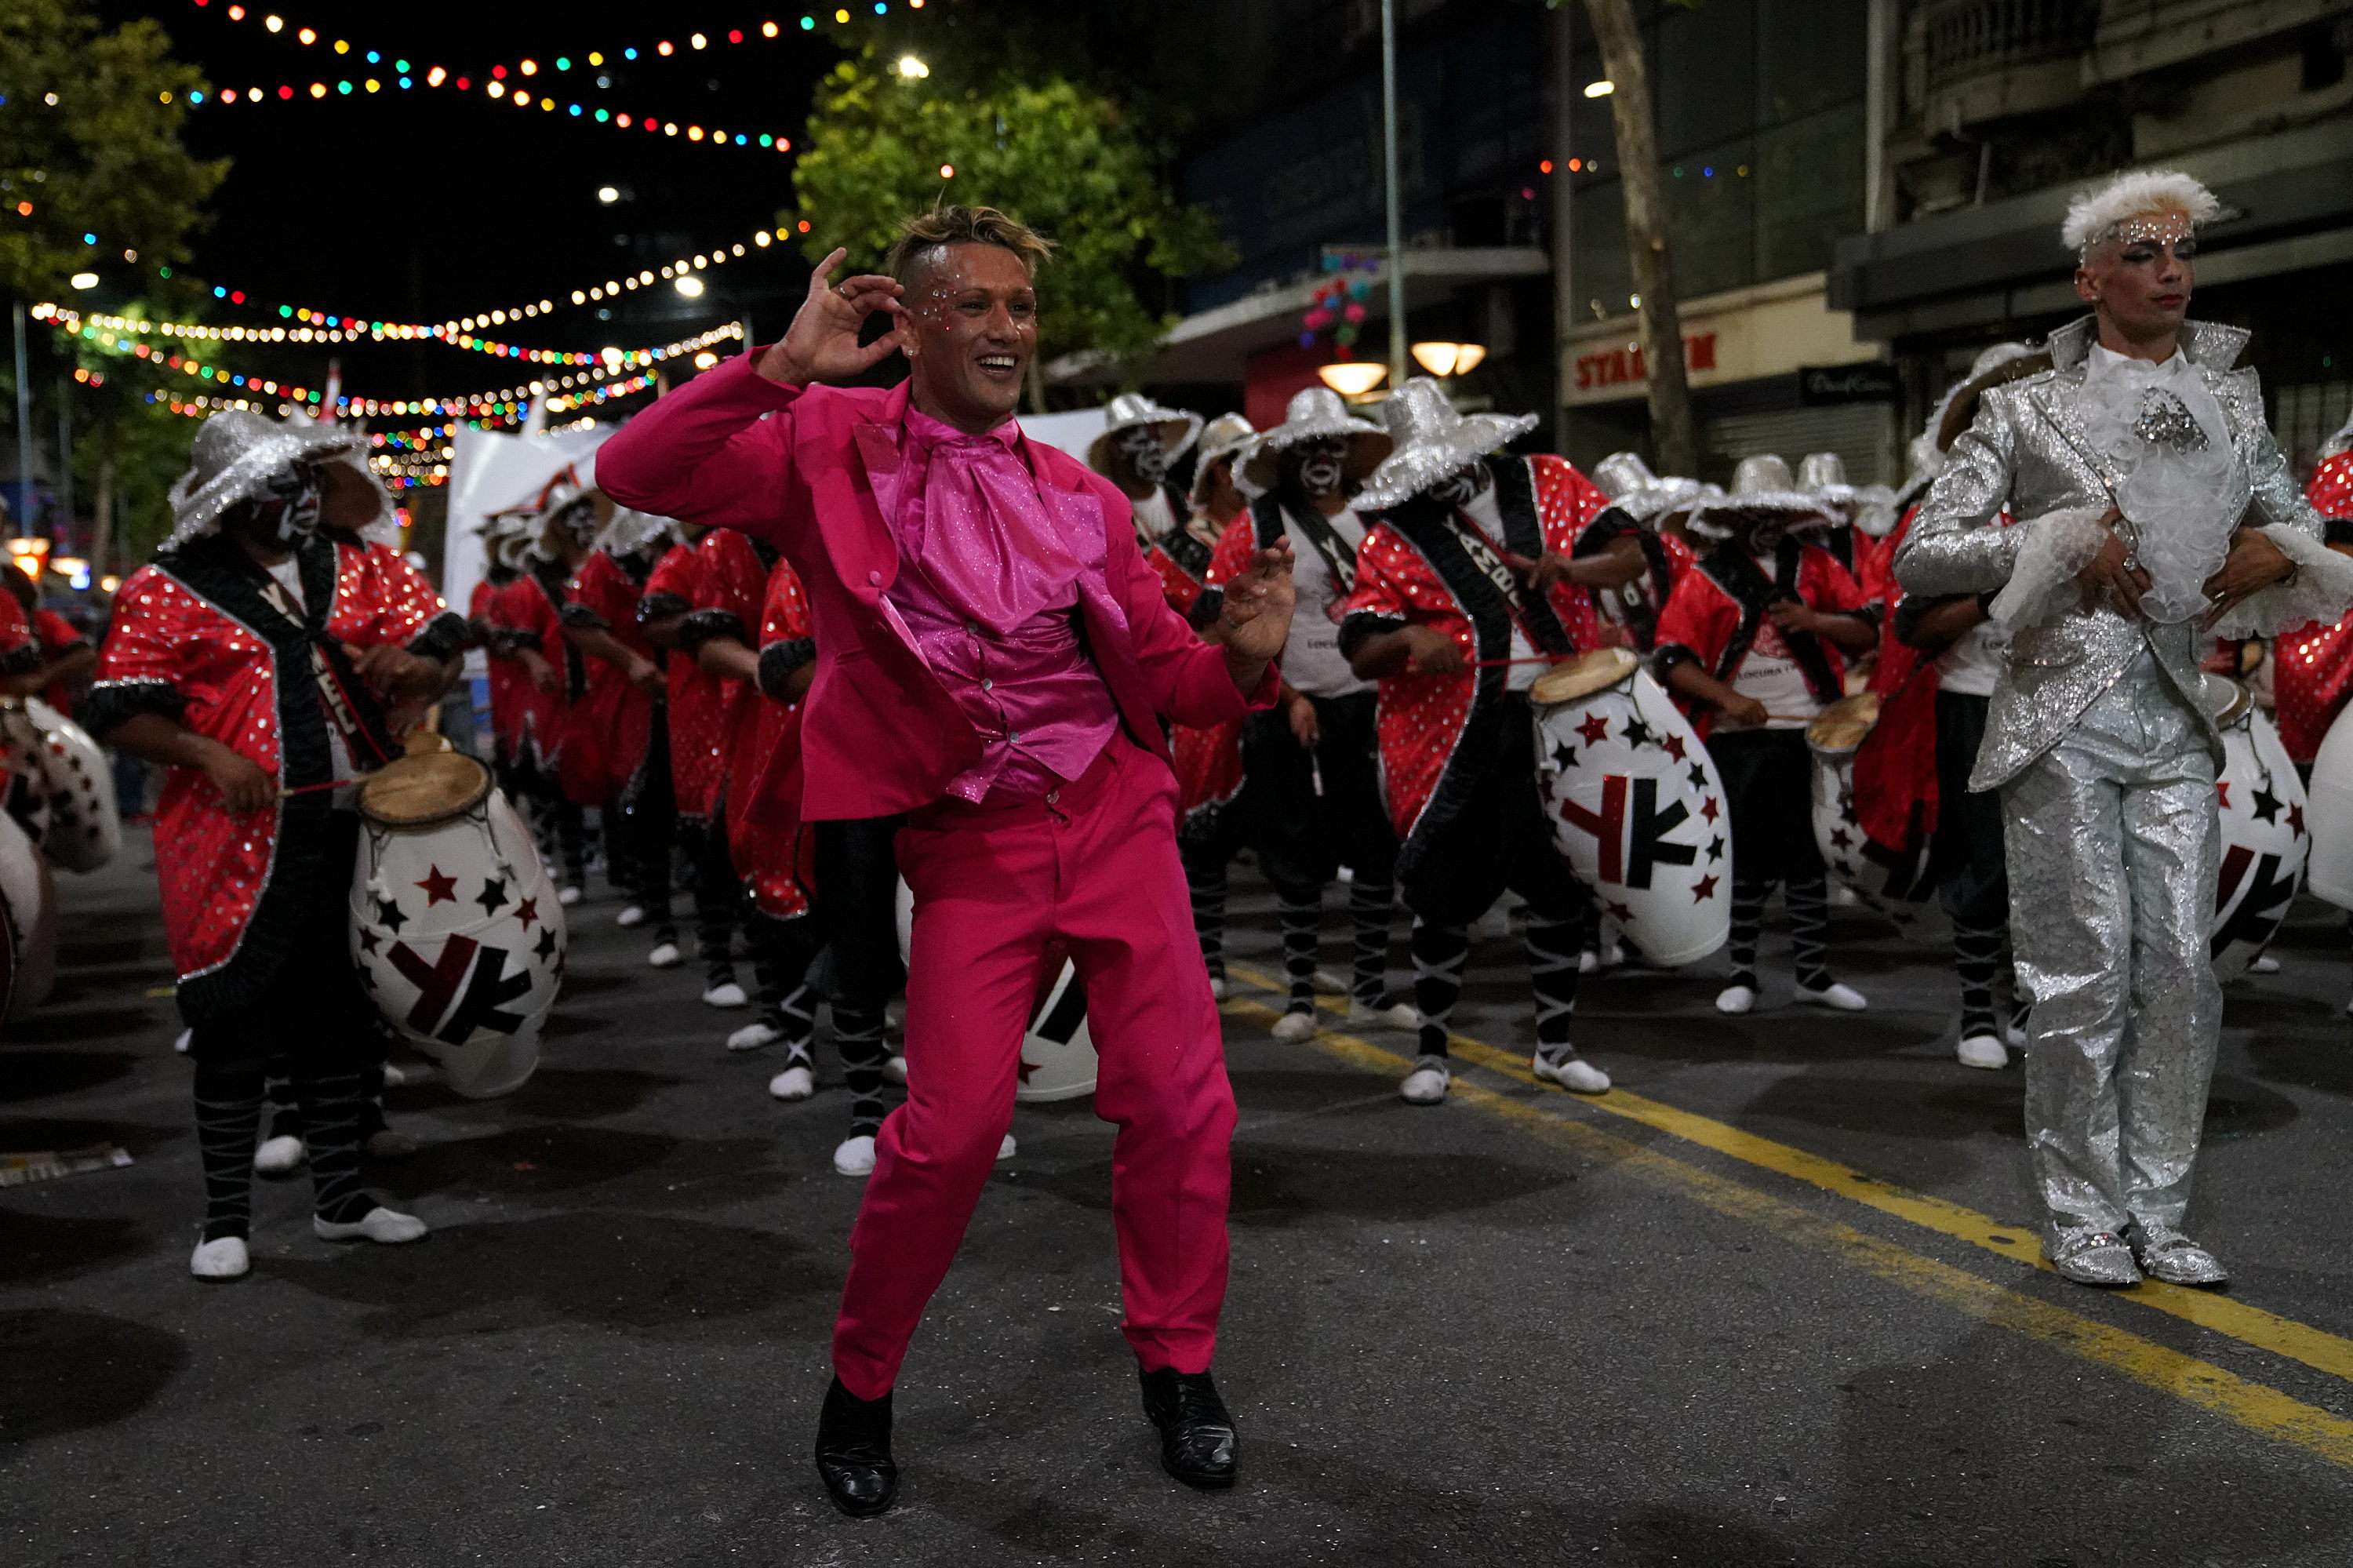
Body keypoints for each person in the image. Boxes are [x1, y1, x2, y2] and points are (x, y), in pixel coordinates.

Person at [596, 204, 1297, 1512]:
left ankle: (1179, 1362)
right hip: (969, 836)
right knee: (951, 1131)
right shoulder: (821, 444)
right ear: (904, 322)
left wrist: (1247, 654)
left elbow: (1175, 681)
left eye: (1019, 305)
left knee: (1187, 1103)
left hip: (1116, 812)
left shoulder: (1086, 499)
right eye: (970, 303)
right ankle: (862, 1381)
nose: (1003, 327)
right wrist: (784, 360)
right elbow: (635, 470)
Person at [1895, 168, 2353, 1287]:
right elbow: (1921, 555)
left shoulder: (2234, 400)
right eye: (2143, 252)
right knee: (2081, 970)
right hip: (2062, 717)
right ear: (2089, 275)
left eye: (2182, 250)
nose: (2170, 270)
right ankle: (2080, 1209)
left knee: (2183, 974)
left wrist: (2277, 552)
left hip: (2180, 718)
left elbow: (2298, 533)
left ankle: (2159, 1206)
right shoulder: (2021, 406)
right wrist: (2050, 539)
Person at [82, 410, 463, 1280]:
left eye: (308, 482)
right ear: (234, 503)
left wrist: (416, 670)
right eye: (282, 485)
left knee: (337, 1019)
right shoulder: (168, 585)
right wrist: (206, 752)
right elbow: (114, 704)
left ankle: (343, 1201)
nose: (302, 497)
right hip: (232, 844)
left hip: (349, 824)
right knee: (233, 1025)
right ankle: (224, 1220)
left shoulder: (354, 561)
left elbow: (439, 639)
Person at [1339, 377, 1620, 1103]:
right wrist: (1407, 636)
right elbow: (1360, 647)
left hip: (1561, 721)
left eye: (1448, 459)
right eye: (1424, 469)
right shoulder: (1393, 535)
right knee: (1443, 898)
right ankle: (1432, 1054)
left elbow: (1632, 557)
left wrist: (1574, 569)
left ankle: (1555, 1047)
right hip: (1458, 738)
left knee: (1561, 887)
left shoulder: (1548, 482)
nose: (1441, 477)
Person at [1864, 346, 2045, 1070]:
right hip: (1974, 703)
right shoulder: (1955, 507)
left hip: (2062, 704)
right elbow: (1913, 624)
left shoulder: (2084, 492)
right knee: (1985, 861)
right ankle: (1977, 1010)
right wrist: (1997, 592)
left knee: (2051, 864)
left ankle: (2033, 1004)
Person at [1209, 387, 1407, 1038]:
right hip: (1283, 708)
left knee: (1376, 849)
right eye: (1309, 446)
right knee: (1296, 855)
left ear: (1348, 452)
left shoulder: (1379, 520)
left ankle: (1371, 992)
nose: (1322, 458)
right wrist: (1288, 695)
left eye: (1333, 444)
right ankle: (1300, 998)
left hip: (1368, 705)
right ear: (1288, 456)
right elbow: (1220, 620)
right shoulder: (1257, 527)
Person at [1654, 456, 1878, 1016]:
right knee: (1747, 859)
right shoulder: (1706, 577)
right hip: (1738, 739)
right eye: (1755, 511)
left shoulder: (1820, 568)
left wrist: (1817, 623)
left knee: (1809, 855)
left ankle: (1812, 972)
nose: (1765, 520)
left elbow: (1866, 630)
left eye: (1775, 510)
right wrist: (1728, 699)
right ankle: (1743, 973)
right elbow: (1673, 658)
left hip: (1811, 732)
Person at [1151, 412, 1257, 994]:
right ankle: (1208, 958)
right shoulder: (1175, 549)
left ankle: (1301, 974)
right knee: (1205, 838)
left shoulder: (1268, 529)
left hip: (1266, 696)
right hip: (1204, 704)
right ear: (1219, 472)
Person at [562, 504, 682, 965]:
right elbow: (577, 625)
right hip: (631, 697)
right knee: (641, 800)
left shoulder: (678, 552)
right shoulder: (602, 566)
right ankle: (660, 920)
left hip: (688, 691)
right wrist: (631, 661)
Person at [640, 522, 751, 1006]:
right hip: (706, 712)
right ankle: (717, 963)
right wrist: (711, 633)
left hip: (757, 706)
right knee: (710, 839)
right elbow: (655, 622)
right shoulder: (684, 558)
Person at [490, 483, 597, 903]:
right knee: (555, 789)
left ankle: (627, 886)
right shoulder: (526, 589)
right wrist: (533, 660)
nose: (584, 523)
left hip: (595, 695)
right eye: (574, 515)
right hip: (551, 703)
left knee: (601, 788)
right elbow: (509, 640)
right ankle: (570, 873)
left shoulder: (594, 571)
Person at [1089, 393, 1202, 554]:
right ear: (1116, 449)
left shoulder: (1178, 499)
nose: (1155, 449)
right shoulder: (1105, 511)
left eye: (1158, 440)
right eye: (1142, 442)